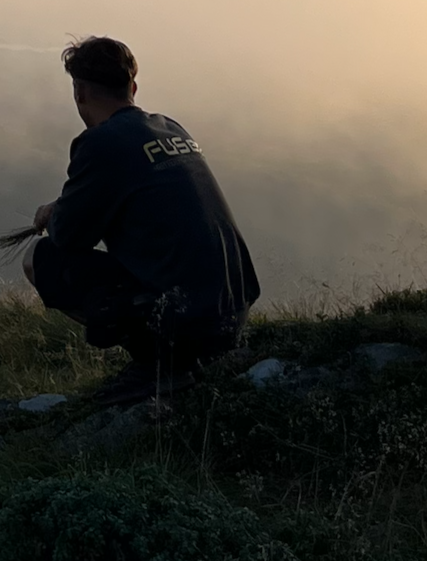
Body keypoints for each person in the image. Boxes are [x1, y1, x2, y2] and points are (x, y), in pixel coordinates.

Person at [21, 36, 258, 405]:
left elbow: (69, 238)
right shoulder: (172, 129)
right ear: (132, 86)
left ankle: (159, 360)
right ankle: (185, 352)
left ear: (79, 93)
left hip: (187, 323)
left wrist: (55, 213)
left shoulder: (99, 143)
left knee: (39, 259)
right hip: (233, 310)